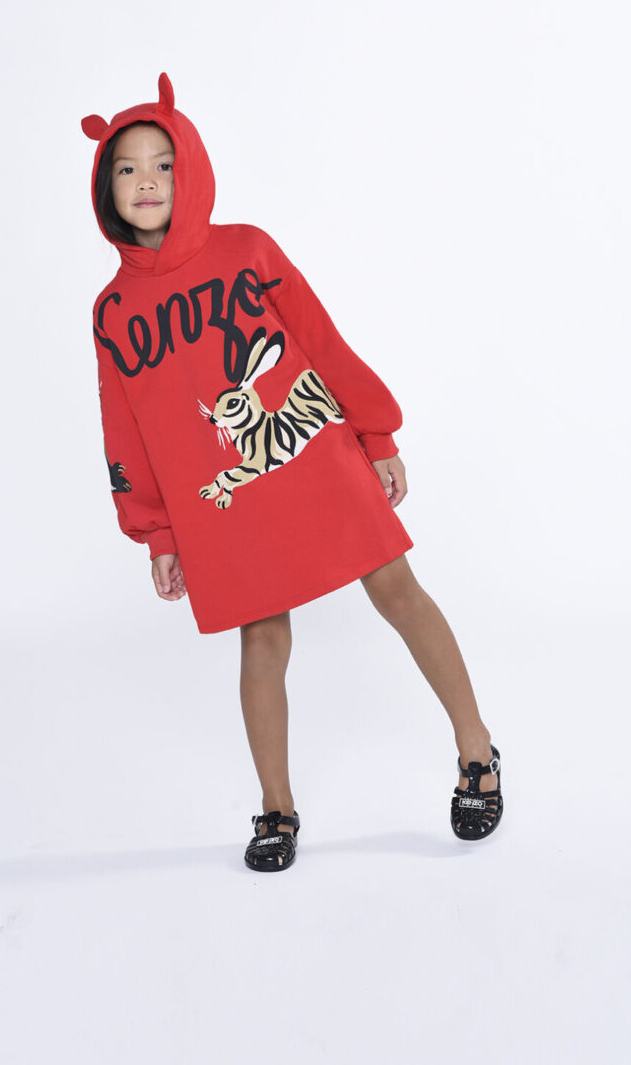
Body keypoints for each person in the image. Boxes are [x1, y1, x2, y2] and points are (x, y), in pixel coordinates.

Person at [82, 72, 503, 873]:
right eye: (127, 168)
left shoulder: (246, 248)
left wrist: (374, 431)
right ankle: (276, 808)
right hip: (228, 498)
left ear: (191, 168)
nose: (147, 181)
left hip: (313, 457)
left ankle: (476, 750)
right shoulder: (113, 311)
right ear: (107, 187)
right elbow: (123, 429)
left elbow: (315, 337)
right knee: (262, 637)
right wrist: (157, 532)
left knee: (397, 592)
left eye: (164, 164)